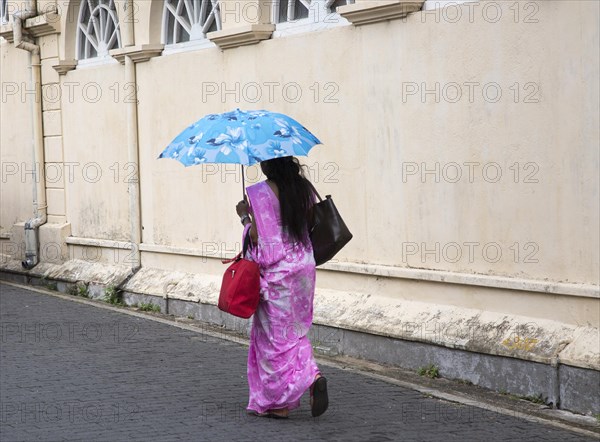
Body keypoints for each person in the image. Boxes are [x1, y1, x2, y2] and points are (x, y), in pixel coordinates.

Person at [235, 156, 328, 419]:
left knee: (273, 338)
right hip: (303, 267)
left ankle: (279, 403)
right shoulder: (305, 189)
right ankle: (312, 375)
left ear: (268, 166)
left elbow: (261, 240)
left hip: (277, 273)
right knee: (295, 331)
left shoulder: (258, 192)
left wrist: (245, 217)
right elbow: (308, 226)